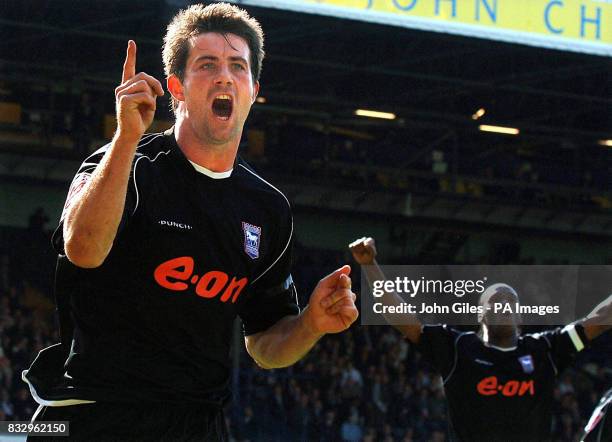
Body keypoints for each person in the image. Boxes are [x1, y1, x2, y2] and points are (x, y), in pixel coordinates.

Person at [22, 3, 358, 440]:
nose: (225, 76)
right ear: (176, 86)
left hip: (198, 426)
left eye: (238, 66)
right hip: (91, 416)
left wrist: (310, 324)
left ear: (254, 89)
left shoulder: (268, 209)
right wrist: (125, 138)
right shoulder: (127, 166)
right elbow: (83, 250)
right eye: (208, 64)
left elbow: (265, 346)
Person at [349, 237, 612, 442]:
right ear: (479, 314)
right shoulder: (457, 348)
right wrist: (370, 266)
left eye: (510, 301)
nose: (503, 304)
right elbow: (400, 317)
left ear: (520, 317)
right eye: (495, 301)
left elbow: (597, 320)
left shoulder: (545, 350)